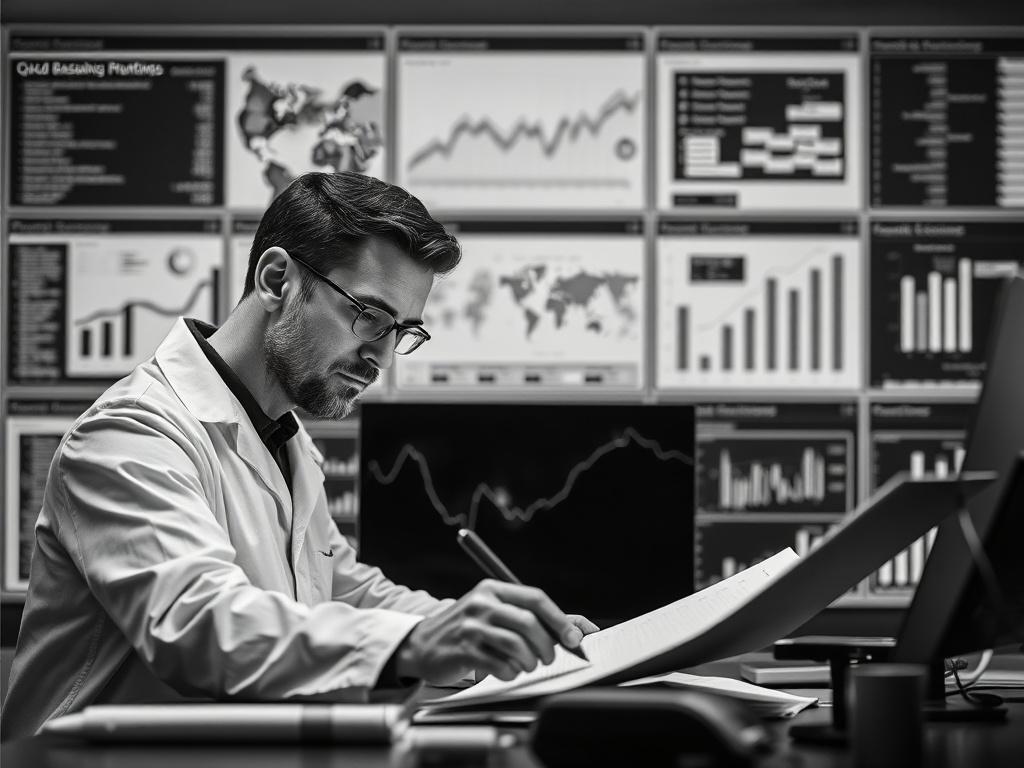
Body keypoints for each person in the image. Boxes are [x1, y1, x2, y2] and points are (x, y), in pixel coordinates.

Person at [1, 172, 598, 740]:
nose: (383, 359)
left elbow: (340, 588)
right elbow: (200, 627)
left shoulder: (283, 437)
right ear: (276, 278)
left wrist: (489, 638)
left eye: (403, 333)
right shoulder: (129, 435)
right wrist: (417, 645)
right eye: (370, 317)